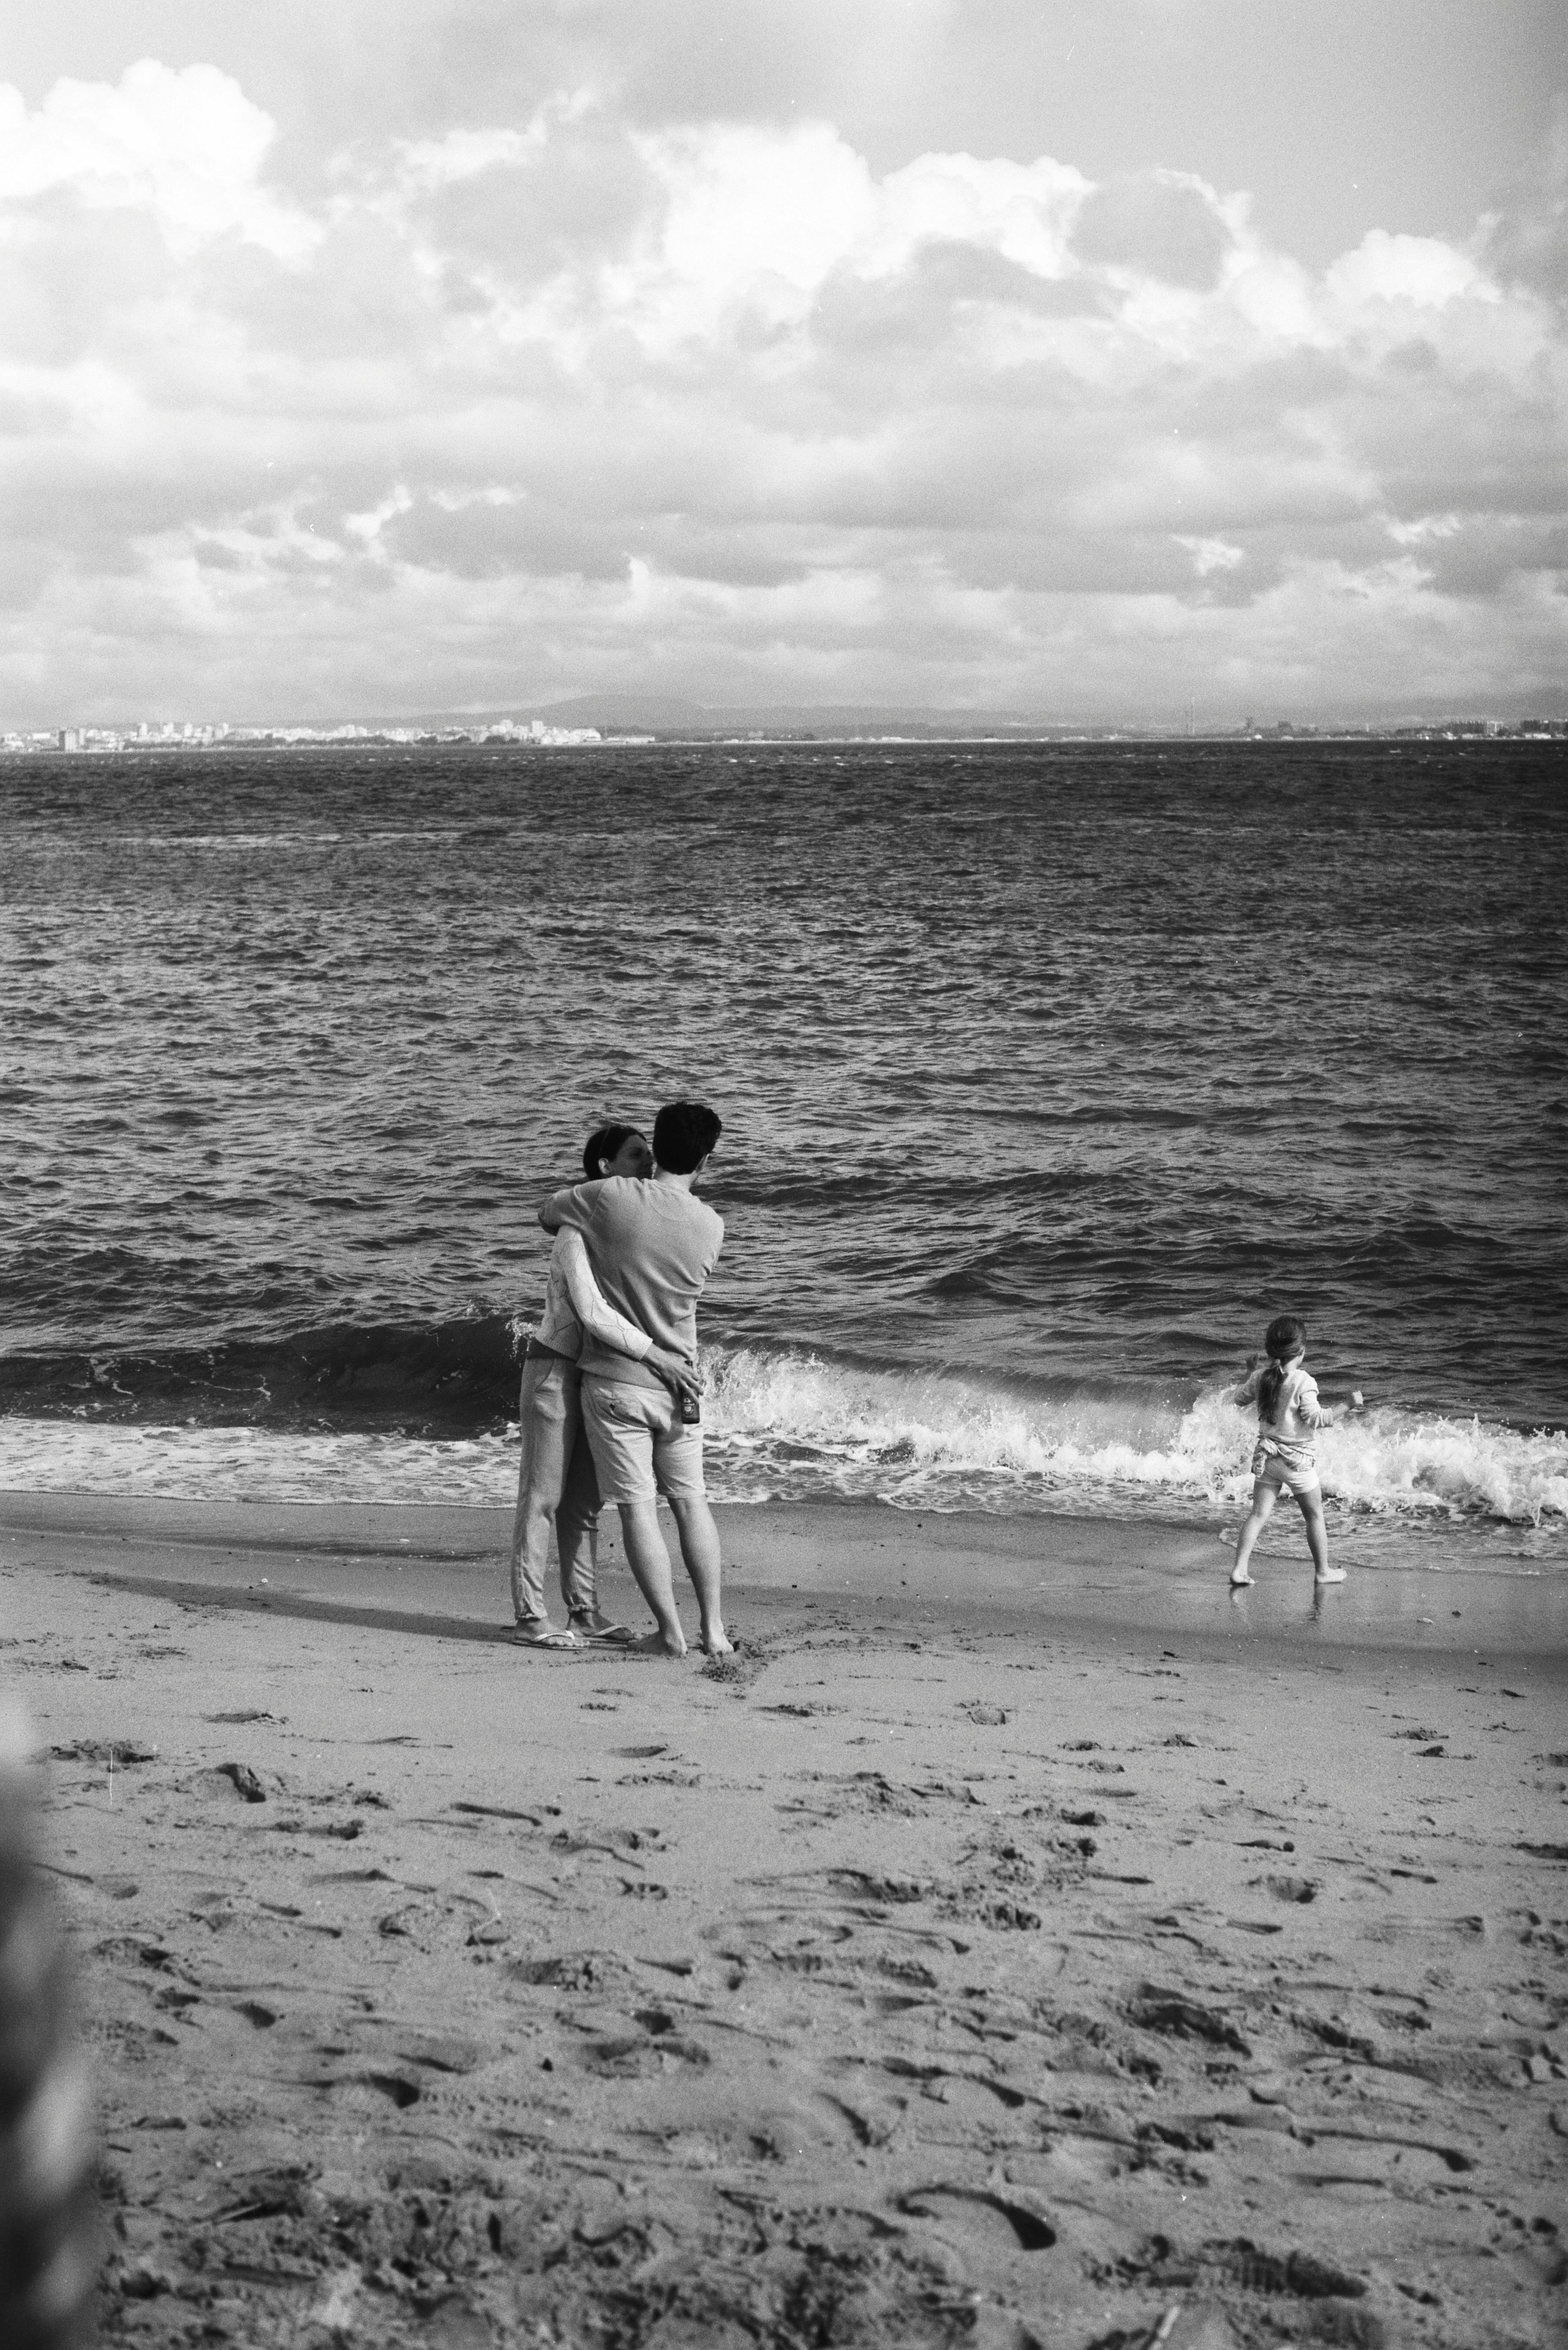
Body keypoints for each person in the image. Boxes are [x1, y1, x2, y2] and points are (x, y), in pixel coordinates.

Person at [540, 1100, 730, 1658]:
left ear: (655, 1144)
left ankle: (670, 1634)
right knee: (692, 1503)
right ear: (707, 1160)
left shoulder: (609, 1197)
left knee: (637, 1508)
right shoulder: (711, 1225)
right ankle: (713, 1631)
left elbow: (547, 1213)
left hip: (618, 1381)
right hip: (682, 1385)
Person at [511, 1123, 700, 1649]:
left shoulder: (621, 1228)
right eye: (636, 1156)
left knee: (583, 1507)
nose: (647, 1164)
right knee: (543, 1498)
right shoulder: (578, 1227)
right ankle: (530, 1618)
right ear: (604, 1168)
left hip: (601, 1375)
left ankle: (585, 1613)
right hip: (554, 1369)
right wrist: (660, 1357)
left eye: (650, 1155)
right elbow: (592, 1313)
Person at [1228, 1313, 1362, 1589]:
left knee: (1258, 1514)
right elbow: (1319, 1419)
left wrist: (1249, 1372)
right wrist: (1348, 1405)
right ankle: (1323, 1571)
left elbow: (1240, 1398)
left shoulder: (1259, 1377)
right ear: (1301, 1351)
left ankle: (1240, 1569)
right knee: (1314, 1516)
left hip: (1267, 1457)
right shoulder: (1303, 1381)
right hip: (1297, 1462)